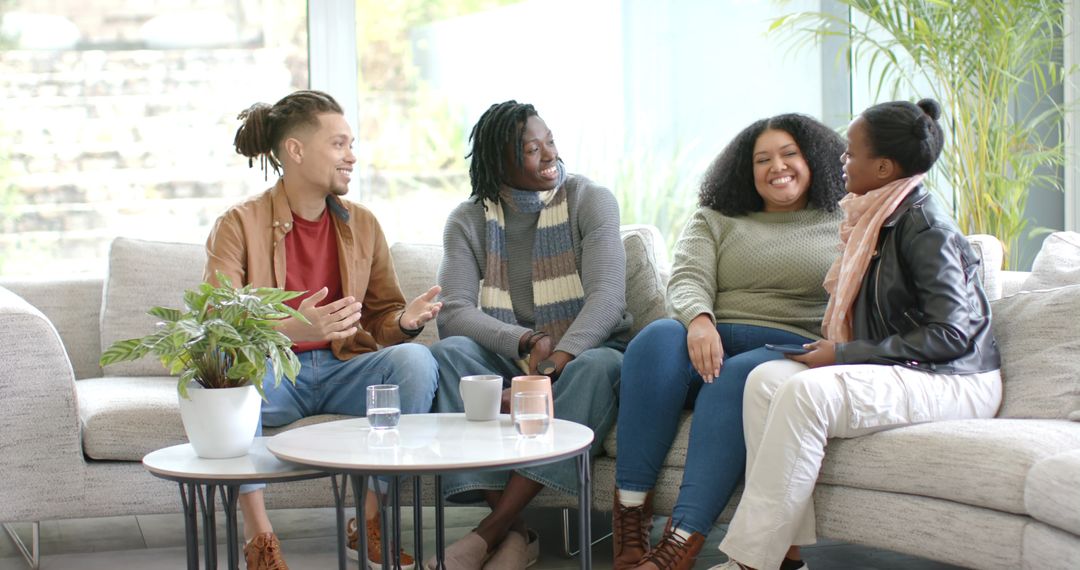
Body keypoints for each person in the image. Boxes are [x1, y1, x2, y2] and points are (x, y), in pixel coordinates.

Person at [711, 99, 1002, 570]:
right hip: (908, 367)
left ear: (883, 167)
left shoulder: (924, 227)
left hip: (955, 379)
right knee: (765, 380)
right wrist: (843, 353)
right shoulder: (874, 218)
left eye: (850, 153)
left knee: (805, 394)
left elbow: (952, 334)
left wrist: (845, 353)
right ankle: (785, 556)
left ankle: (751, 562)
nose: (841, 161)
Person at [208, 89, 442, 570]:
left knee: (416, 361)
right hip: (276, 376)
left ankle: (368, 522)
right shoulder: (238, 223)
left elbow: (381, 315)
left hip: (343, 369)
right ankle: (261, 540)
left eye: (351, 144)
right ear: (295, 151)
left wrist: (402, 321)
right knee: (227, 370)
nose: (351, 156)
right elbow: (219, 320)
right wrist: (294, 327)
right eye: (338, 145)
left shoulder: (364, 224)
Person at [611, 114, 847, 570]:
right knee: (656, 338)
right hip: (710, 339)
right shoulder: (716, 218)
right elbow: (687, 278)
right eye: (763, 159)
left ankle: (680, 542)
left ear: (813, 159)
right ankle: (631, 516)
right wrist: (699, 321)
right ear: (746, 170)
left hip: (786, 347)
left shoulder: (842, 220)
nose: (777, 166)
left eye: (789, 154)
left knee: (737, 375)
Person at [428, 100, 630, 569]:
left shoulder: (590, 200)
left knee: (600, 368)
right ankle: (519, 535)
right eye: (531, 149)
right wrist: (521, 342)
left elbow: (607, 299)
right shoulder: (468, 219)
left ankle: (490, 532)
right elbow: (453, 311)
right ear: (500, 162)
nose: (548, 156)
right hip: (518, 356)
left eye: (550, 142)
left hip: (585, 354)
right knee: (451, 355)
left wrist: (551, 366)